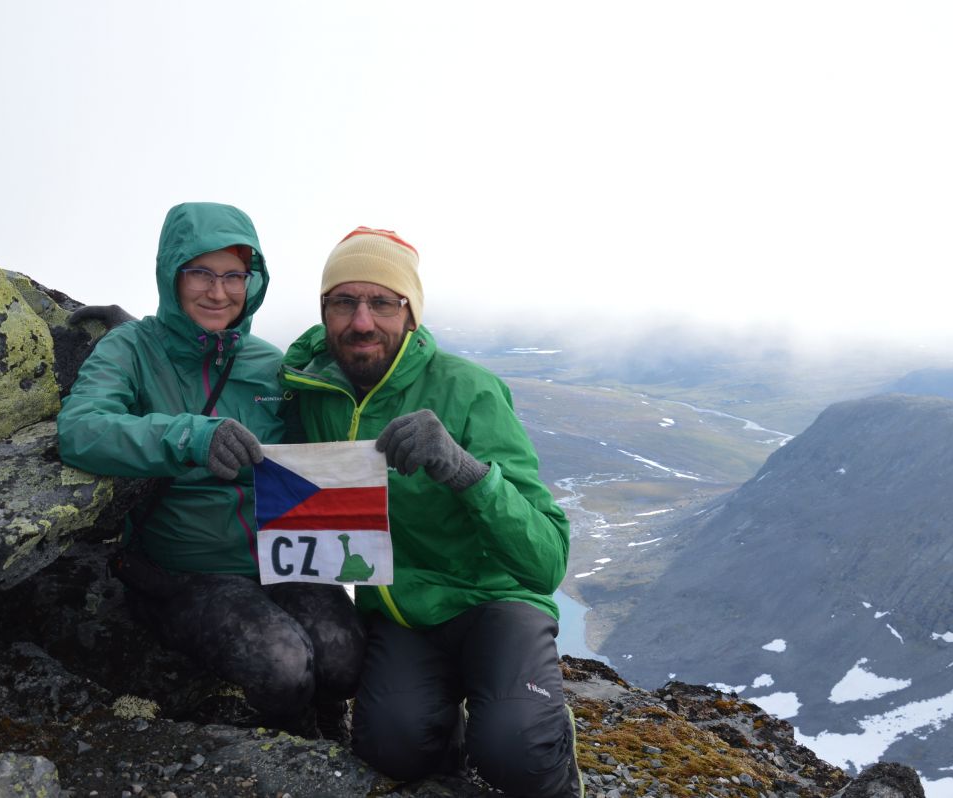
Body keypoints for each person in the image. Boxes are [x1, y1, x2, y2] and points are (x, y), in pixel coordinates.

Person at [281, 227, 582, 796]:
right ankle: (450, 755)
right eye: (343, 301)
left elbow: (545, 562)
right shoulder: (307, 389)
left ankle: (549, 751)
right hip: (404, 611)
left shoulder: (471, 391)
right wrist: (153, 337)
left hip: (496, 600)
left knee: (517, 748)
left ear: (411, 315)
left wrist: (465, 471)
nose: (362, 321)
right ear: (323, 312)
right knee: (393, 747)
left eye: (383, 303)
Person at [57, 202, 364, 735]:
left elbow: (318, 448)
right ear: (170, 274)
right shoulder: (130, 349)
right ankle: (292, 737)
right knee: (282, 665)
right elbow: (81, 429)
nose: (217, 292)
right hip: (185, 569)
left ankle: (328, 710)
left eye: (233, 276)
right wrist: (190, 434)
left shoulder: (269, 365)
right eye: (199, 272)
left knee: (345, 660)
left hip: (281, 559)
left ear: (254, 281)